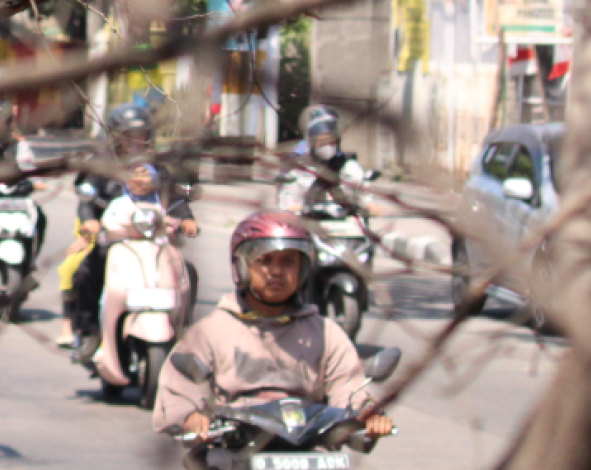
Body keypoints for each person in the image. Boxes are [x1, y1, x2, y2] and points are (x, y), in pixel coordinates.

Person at [152, 210, 394, 440]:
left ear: (303, 269)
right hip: (231, 448)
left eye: (288, 262)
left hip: (308, 446)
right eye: (265, 261)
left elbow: (347, 385)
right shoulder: (210, 331)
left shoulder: (324, 332)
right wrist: (191, 415)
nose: (276, 271)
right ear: (242, 267)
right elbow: (181, 386)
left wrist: (366, 413)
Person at [67, 162, 197, 350]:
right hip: (117, 247)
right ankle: (90, 332)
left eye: (146, 175)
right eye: (135, 175)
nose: (140, 180)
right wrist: (90, 224)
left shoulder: (163, 184)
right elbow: (89, 204)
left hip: (158, 249)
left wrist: (187, 219)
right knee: (85, 274)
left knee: (188, 273)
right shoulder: (108, 177)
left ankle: (183, 328)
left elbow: (179, 203)